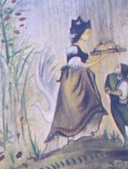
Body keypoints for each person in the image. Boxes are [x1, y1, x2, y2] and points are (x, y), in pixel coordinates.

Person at [45, 16, 106, 148]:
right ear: (80, 34)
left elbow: (86, 63)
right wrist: (99, 59)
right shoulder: (73, 49)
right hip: (73, 85)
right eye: (87, 32)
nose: (89, 35)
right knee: (75, 110)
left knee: (90, 107)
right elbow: (78, 65)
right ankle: (75, 138)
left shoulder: (82, 48)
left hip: (83, 83)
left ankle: (83, 136)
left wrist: (100, 56)